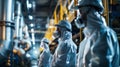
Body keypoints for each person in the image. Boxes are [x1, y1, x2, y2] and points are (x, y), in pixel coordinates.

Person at [73, 0, 119, 67]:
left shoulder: (102, 34)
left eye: (80, 11)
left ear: (88, 11)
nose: (79, 15)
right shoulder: (89, 37)